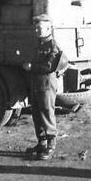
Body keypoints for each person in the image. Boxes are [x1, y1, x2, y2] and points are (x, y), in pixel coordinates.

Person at [23, 14, 62, 160]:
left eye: (40, 28)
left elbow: (49, 66)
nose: (37, 31)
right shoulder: (38, 44)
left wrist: (31, 66)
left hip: (46, 84)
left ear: (48, 29)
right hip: (36, 83)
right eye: (36, 28)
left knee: (46, 111)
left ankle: (51, 144)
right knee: (36, 113)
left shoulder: (52, 45)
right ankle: (42, 142)